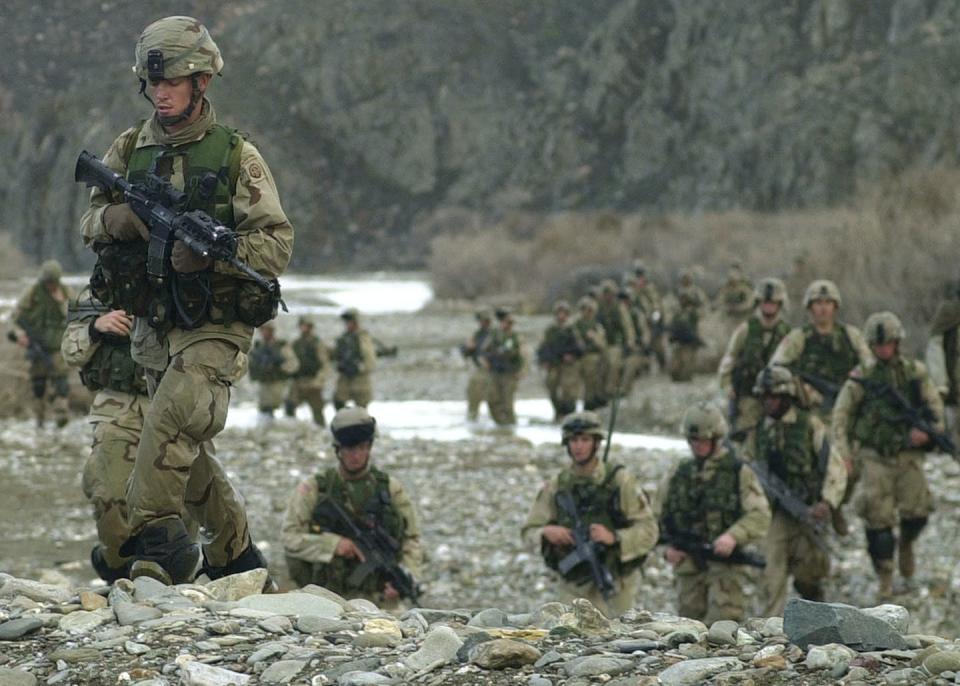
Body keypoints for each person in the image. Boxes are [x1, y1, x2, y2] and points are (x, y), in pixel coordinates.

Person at [79, 16, 293, 585]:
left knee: (170, 422)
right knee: (185, 451)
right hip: (154, 323)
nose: (162, 93)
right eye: (154, 84)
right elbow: (88, 220)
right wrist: (118, 219)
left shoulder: (235, 156)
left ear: (202, 81)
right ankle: (235, 558)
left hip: (217, 325)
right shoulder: (130, 148)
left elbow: (276, 243)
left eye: (174, 81)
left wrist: (212, 256)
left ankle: (159, 549)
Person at [832, 312, 944, 599]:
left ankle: (906, 543)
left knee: (918, 512)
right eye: (878, 345)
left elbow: (934, 408)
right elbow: (841, 417)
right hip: (874, 456)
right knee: (878, 521)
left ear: (897, 343)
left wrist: (929, 432)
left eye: (889, 344)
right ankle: (885, 576)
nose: (884, 349)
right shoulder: (861, 378)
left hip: (908, 456)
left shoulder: (914, 373)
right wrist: (844, 454)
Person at [281, 407, 423, 607]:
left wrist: (408, 577)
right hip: (324, 598)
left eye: (362, 447)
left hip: (380, 599)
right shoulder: (315, 488)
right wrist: (334, 545)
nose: (356, 456)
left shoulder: (390, 489)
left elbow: (412, 539)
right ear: (338, 449)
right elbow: (290, 537)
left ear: (370, 447)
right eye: (349, 449)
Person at [522, 411, 658, 617]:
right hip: (573, 585)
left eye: (585, 440)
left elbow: (649, 530)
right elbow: (528, 531)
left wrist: (615, 538)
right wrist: (546, 532)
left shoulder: (620, 482)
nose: (578, 446)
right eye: (574, 440)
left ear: (596, 443)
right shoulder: (558, 485)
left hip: (616, 582)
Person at [61, 289, 150, 582]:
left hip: (173, 401)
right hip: (117, 406)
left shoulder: (191, 280)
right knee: (110, 495)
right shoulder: (103, 288)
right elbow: (70, 351)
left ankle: (169, 574)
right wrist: (96, 328)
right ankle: (117, 566)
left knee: (180, 502)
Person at [743, 366, 847, 615]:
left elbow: (835, 466)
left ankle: (818, 616)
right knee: (772, 573)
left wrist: (827, 502)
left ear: (787, 396)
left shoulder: (809, 426)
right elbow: (747, 471)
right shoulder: (759, 432)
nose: (768, 403)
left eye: (774, 397)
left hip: (809, 510)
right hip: (774, 514)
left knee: (810, 574)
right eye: (764, 397)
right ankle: (772, 630)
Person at [770, 279, 871, 535]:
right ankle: (823, 507)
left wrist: (856, 382)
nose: (823, 309)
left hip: (847, 413)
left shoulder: (850, 336)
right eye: (817, 303)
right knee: (820, 463)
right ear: (809, 307)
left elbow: (870, 366)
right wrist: (802, 389)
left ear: (835, 307)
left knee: (853, 467)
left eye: (827, 303)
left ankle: (836, 504)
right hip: (812, 414)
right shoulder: (799, 338)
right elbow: (776, 369)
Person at [658, 402, 771, 622]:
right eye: (694, 441)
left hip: (725, 568)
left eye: (704, 440)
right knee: (688, 628)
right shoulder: (679, 473)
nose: (698, 446)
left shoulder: (738, 471)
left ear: (717, 438)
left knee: (722, 628)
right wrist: (667, 549)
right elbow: (655, 518)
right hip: (688, 566)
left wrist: (732, 536)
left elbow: (760, 515)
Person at [718, 277, 792, 441]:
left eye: (773, 303)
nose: (769, 306)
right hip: (749, 396)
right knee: (746, 438)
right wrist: (727, 387)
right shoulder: (745, 330)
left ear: (780, 304)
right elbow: (728, 361)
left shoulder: (788, 333)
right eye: (765, 303)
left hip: (778, 400)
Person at [11, 260, 73, 428]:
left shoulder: (66, 292)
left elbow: (74, 316)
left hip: (58, 346)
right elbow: (16, 316)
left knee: (61, 383)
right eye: (48, 282)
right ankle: (40, 420)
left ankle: (62, 417)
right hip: (37, 345)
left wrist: (61, 302)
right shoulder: (33, 291)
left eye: (53, 282)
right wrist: (20, 334)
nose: (50, 286)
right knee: (38, 384)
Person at [536, 300, 584, 421]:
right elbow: (543, 346)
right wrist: (544, 360)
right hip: (554, 363)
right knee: (551, 386)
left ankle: (569, 414)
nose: (561, 316)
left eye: (564, 313)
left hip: (568, 365)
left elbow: (579, 347)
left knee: (569, 391)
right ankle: (558, 412)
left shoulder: (572, 329)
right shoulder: (550, 330)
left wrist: (571, 355)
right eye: (559, 313)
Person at [248, 321, 299, 425]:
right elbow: (250, 362)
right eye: (263, 330)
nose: (264, 333)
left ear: (272, 331)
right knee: (264, 408)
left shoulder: (281, 346)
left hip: (278, 382)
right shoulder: (258, 346)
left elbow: (293, 363)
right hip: (264, 382)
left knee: (277, 407)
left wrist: (280, 367)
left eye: (267, 330)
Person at [285, 316, 330, 426]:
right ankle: (293, 427)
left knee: (317, 410)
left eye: (307, 326)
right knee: (290, 405)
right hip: (299, 382)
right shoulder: (296, 343)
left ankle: (321, 430)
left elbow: (324, 364)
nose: (305, 328)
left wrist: (319, 381)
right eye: (303, 326)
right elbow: (290, 362)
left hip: (313, 381)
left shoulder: (317, 343)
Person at [483, 310, 525, 426]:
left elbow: (522, 355)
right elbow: (485, 350)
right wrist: (487, 362)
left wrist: (520, 371)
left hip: (510, 373)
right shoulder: (495, 334)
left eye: (510, 323)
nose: (508, 325)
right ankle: (500, 424)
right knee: (492, 399)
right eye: (506, 322)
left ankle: (511, 426)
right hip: (496, 371)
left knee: (507, 402)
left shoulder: (515, 337)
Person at [596, 279, 636, 399]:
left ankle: (610, 390)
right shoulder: (599, 307)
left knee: (613, 363)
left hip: (616, 343)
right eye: (605, 293)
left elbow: (628, 326)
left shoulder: (619, 308)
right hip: (602, 342)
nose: (607, 296)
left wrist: (630, 342)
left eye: (610, 293)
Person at [333, 308, 377, 410]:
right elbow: (337, 355)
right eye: (346, 321)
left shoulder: (362, 338)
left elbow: (370, 361)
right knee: (338, 402)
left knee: (361, 410)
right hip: (345, 378)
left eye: (350, 321)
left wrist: (359, 367)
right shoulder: (343, 338)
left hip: (360, 379)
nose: (347, 324)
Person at [667, 270, 707, 382]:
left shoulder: (697, 293)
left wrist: (694, 311)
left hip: (691, 330)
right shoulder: (675, 293)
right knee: (674, 367)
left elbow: (704, 309)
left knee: (688, 362)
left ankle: (686, 378)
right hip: (677, 333)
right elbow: (668, 308)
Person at [574, 296, 608, 411]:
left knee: (591, 380)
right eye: (584, 310)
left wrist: (594, 338)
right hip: (575, 357)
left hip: (591, 355)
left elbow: (602, 345)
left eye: (589, 310)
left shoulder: (596, 327)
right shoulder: (574, 325)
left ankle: (589, 405)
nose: (586, 313)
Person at [630, 261, 666, 370]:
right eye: (638, 275)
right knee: (641, 345)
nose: (640, 278)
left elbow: (656, 303)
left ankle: (662, 365)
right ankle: (644, 367)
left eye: (641, 275)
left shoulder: (650, 288)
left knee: (657, 344)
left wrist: (656, 315)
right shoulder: (633, 289)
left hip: (652, 320)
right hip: (639, 321)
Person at [461, 308, 494, 421]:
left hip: (492, 371)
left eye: (485, 320)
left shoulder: (495, 334)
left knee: (494, 400)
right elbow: (466, 351)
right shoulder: (477, 335)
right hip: (479, 369)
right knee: (474, 396)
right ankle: (472, 420)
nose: (483, 323)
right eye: (481, 320)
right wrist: (468, 348)